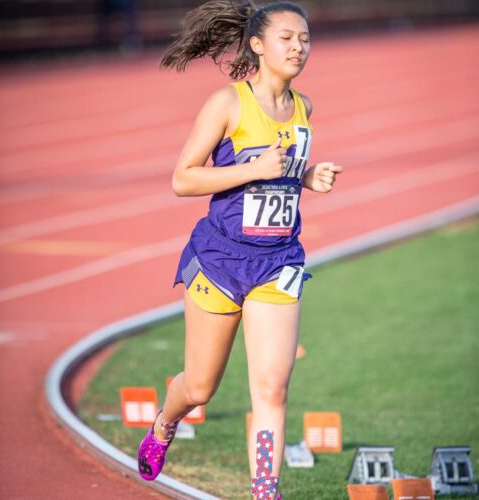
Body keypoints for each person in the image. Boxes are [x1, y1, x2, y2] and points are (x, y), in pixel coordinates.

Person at [137, 1, 342, 498]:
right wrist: (254, 169)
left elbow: (283, 174)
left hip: (278, 261)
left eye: (305, 39)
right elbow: (182, 179)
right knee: (200, 387)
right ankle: (165, 422)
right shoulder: (227, 103)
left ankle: (264, 492)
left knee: (271, 389)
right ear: (257, 45)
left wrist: (306, 177)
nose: (298, 48)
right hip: (221, 259)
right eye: (287, 38)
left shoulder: (304, 107)